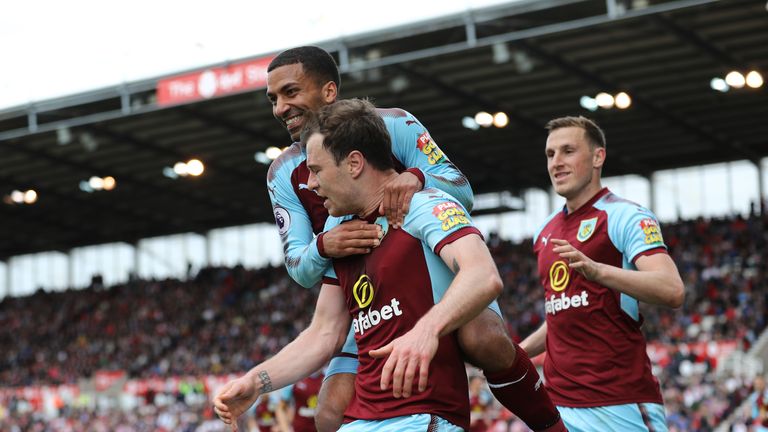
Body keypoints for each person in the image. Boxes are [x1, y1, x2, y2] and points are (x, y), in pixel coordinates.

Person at [265, 46, 564, 432]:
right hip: (364, 298)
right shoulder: (282, 173)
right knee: (329, 413)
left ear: (328, 91)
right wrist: (325, 245)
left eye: (290, 92)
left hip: (427, 274)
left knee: (483, 339)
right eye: (273, 99)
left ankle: (553, 426)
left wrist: (418, 178)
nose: (280, 107)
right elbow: (299, 267)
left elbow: (462, 190)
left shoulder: (397, 125)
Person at [214, 98, 503, 431]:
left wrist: (427, 329)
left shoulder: (422, 203)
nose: (309, 183)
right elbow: (324, 332)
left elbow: (483, 273)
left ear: (353, 163)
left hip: (421, 417)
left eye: (317, 169)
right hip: (365, 420)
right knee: (328, 413)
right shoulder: (339, 234)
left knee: (486, 339)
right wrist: (256, 381)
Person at [520, 116, 685, 432]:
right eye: (550, 154)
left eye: (568, 151)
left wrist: (597, 271)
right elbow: (561, 314)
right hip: (559, 407)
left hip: (620, 405)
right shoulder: (544, 230)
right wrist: (517, 355)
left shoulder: (626, 216)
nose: (557, 162)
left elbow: (672, 289)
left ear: (598, 157)